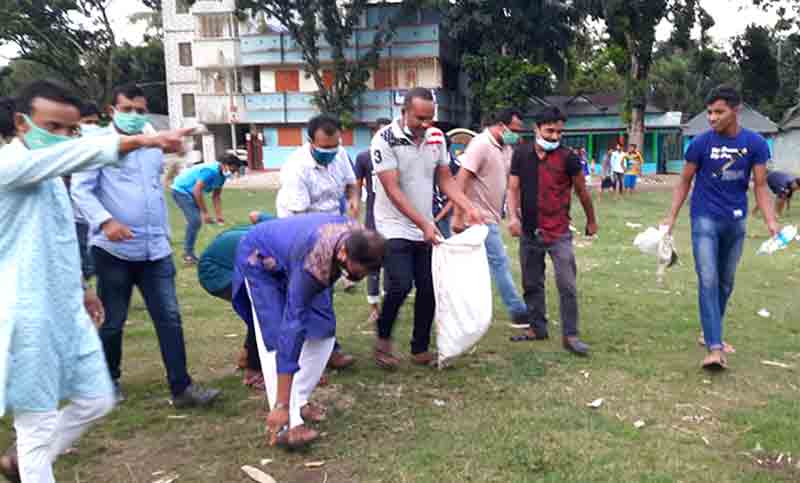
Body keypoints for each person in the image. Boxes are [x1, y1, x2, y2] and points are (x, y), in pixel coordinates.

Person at [0, 79, 193, 483]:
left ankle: (25, 461)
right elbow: (80, 153)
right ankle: (32, 461)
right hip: (25, 317)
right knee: (36, 428)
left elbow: (59, 237)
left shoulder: (52, 177)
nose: (62, 137)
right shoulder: (10, 166)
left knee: (96, 399)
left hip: (64, 306)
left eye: (70, 130)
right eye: (52, 127)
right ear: (21, 123)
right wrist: (146, 140)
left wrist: (83, 288)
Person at [72, 83, 221, 407]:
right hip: (113, 250)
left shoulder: (153, 142)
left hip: (155, 249)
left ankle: (182, 388)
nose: (134, 116)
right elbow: (81, 191)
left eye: (140, 110)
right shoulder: (98, 145)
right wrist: (105, 222)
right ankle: (108, 382)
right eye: (127, 109)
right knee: (113, 321)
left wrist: (179, 150)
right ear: (112, 111)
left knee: (170, 318)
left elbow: (156, 184)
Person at [231, 214, 385, 448]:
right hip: (260, 258)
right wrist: (282, 404)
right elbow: (292, 328)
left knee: (324, 332)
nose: (362, 277)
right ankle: (286, 422)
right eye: (360, 271)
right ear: (344, 254)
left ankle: (299, 400)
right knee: (276, 337)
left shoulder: (360, 240)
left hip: (302, 256)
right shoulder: (314, 262)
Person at [662, 86, 779, 370]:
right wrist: (671, 217)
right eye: (710, 112)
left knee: (726, 282)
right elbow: (684, 181)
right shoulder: (700, 143)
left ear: (735, 111)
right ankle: (715, 348)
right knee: (708, 279)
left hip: (735, 221)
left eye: (719, 112)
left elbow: (760, 185)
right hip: (704, 218)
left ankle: (709, 330)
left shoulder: (755, 144)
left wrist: (771, 221)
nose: (712, 117)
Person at [371, 87, 483, 369]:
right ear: (404, 112)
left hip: (425, 224)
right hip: (392, 224)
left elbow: (445, 180)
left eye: (429, 118)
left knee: (429, 286)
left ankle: (419, 348)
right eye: (419, 118)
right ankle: (383, 338)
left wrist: (467, 206)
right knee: (400, 284)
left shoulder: (436, 138)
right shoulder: (384, 139)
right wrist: (423, 223)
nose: (425, 124)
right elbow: (393, 190)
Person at [507, 106, 598, 356]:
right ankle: (537, 328)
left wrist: (591, 220)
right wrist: (512, 217)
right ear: (536, 129)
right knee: (531, 282)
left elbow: (582, 191)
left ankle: (571, 335)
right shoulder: (521, 154)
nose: (555, 136)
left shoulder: (569, 158)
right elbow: (513, 188)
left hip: (559, 232)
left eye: (559, 132)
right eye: (550, 131)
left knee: (567, 284)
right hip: (529, 231)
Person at [274, 114, 359, 370]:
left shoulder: (340, 154)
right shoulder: (296, 168)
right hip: (301, 231)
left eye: (335, 146)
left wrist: (354, 202)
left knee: (324, 292)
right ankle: (314, 356)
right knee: (310, 294)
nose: (330, 152)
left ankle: (324, 350)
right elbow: (301, 219)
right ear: (310, 141)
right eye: (324, 148)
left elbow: (351, 185)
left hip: (331, 229)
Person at [451, 108, 529, 328]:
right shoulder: (480, 144)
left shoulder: (506, 148)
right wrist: (458, 215)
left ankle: (461, 308)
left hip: (491, 216)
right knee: (499, 262)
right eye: (514, 130)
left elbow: (511, 183)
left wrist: (515, 213)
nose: (516, 135)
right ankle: (518, 311)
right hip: (476, 217)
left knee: (475, 267)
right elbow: (461, 179)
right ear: (501, 126)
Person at [198, 212, 274, 390]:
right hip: (217, 270)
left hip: (231, 260)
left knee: (262, 308)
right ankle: (254, 372)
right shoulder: (280, 242)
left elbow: (255, 215)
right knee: (263, 312)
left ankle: (246, 357)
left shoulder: (281, 226)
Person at [170, 153, 246, 264]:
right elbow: (197, 190)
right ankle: (188, 254)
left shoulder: (222, 176)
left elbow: (216, 196)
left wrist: (219, 216)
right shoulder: (210, 171)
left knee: (195, 221)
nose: (233, 173)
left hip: (192, 193)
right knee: (195, 221)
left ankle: (189, 253)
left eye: (235, 171)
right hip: (181, 191)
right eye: (232, 170)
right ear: (224, 165)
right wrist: (204, 213)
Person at [354, 118, 393, 324]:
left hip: (394, 218)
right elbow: (357, 187)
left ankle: (388, 305)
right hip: (373, 216)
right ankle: (374, 308)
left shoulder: (396, 156)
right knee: (372, 262)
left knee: (391, 261)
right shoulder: (363, 158)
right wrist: (355, 214)